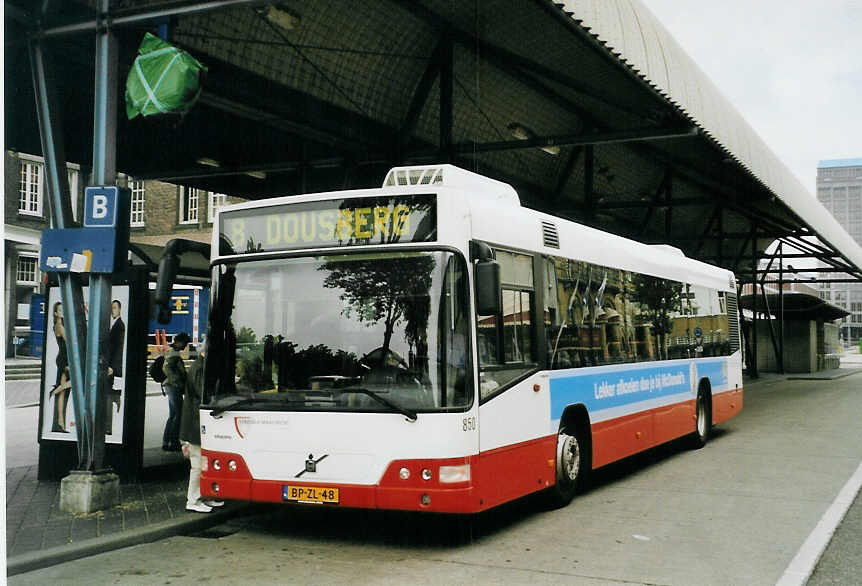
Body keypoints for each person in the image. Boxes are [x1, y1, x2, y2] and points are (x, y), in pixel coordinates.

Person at [181, 341, 224, 512]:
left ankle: (205, 495)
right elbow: (202, 394)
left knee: (203, 464)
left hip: (196, 423)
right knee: (198, 465)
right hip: (195, 424)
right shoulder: (200, 369)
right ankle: (193, 500)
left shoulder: (200, 366)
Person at [162, 332, 190, 451]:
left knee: (173, 415)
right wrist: (176, 381)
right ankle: (173, 442)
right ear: (179, 342)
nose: (185, 347)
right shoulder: (173, 353)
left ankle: (166, 441)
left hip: (171, 386)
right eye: (184, 344)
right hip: (173, 387)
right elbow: (166, 367)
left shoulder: (172, 352)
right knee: (178, 414)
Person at [49, 301, 72, 433]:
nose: (62, 312)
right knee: (63, 392)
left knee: (63, 393)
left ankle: (60, 424)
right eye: (60, 310)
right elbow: (70, 341)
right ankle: (59, 424)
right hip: (64, 360)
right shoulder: (60, 326)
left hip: (64, 359)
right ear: (56, 313)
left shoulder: (61, 325)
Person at [105, 299, 125, 434]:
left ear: (119, 309)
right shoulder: (114, 324)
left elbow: (119, 348)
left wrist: (112, 366)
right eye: (111, 308)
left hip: (111, 368)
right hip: (109, 366)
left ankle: (107, 428)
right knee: (107, 395)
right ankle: (115, 396)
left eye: (115, 308)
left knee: (106, 396)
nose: (113, 310)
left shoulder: (119, 325)